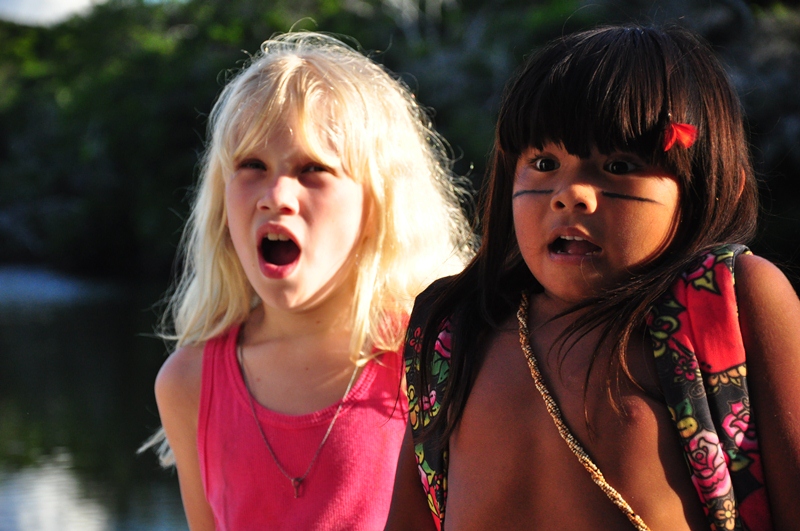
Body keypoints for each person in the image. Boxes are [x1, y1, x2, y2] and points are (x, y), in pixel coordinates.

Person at [386, 25, 800, 531]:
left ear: (706, 186)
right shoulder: (454, 330)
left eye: (618, 164)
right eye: (543, 163)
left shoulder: (729, 304)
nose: (572, 195)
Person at [143, 31, 473, 530]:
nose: (276, 195)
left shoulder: (434, 362)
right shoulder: (188, 385)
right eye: (251, 165)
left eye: (313, 169)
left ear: (379, 203)